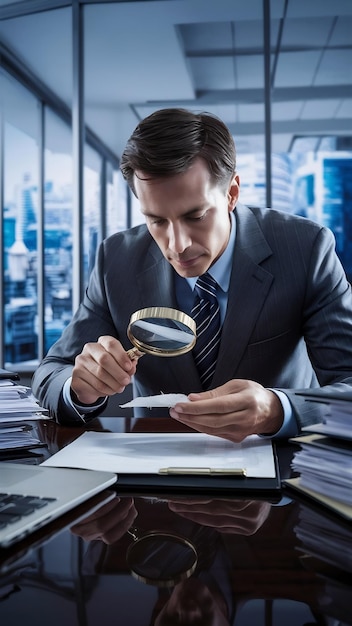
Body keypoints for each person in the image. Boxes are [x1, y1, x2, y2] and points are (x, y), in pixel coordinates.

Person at [32, 108, 352, 441]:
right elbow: (50, 373)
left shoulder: (304, 249)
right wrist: (80, 387)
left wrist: (276, 409)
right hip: (152, 473)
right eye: (156, 220)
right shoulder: (117, 260)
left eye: (195, 216)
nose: (177, 245)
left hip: (274, 471)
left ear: (232, 193)